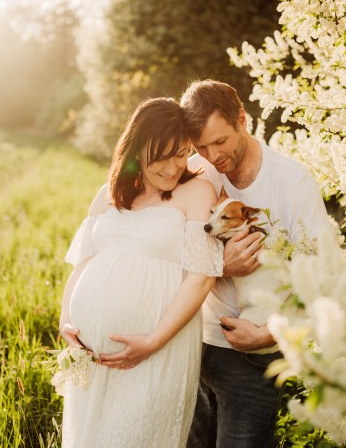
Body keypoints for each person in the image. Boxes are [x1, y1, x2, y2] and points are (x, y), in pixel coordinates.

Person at [57, 97, 224, 448]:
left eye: (181, 153)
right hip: (90, 356)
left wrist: (152, 341)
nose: (173, 166)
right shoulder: (106, 195)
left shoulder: (196, 192)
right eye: (161, 156)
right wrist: (66, 321)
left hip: (157, 349)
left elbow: (202, 276)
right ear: (136, 148)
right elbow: (83, 264)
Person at [180, 80, 330, 448]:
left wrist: (267, 335)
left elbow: (323, 281)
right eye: (201, 146)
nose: (212, 156)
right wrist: (220, 264)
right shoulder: (194, 172)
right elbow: (164, 249)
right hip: (190, 342)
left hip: (251, 358)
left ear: (242, 121)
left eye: (220, 142)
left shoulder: (293, 183)